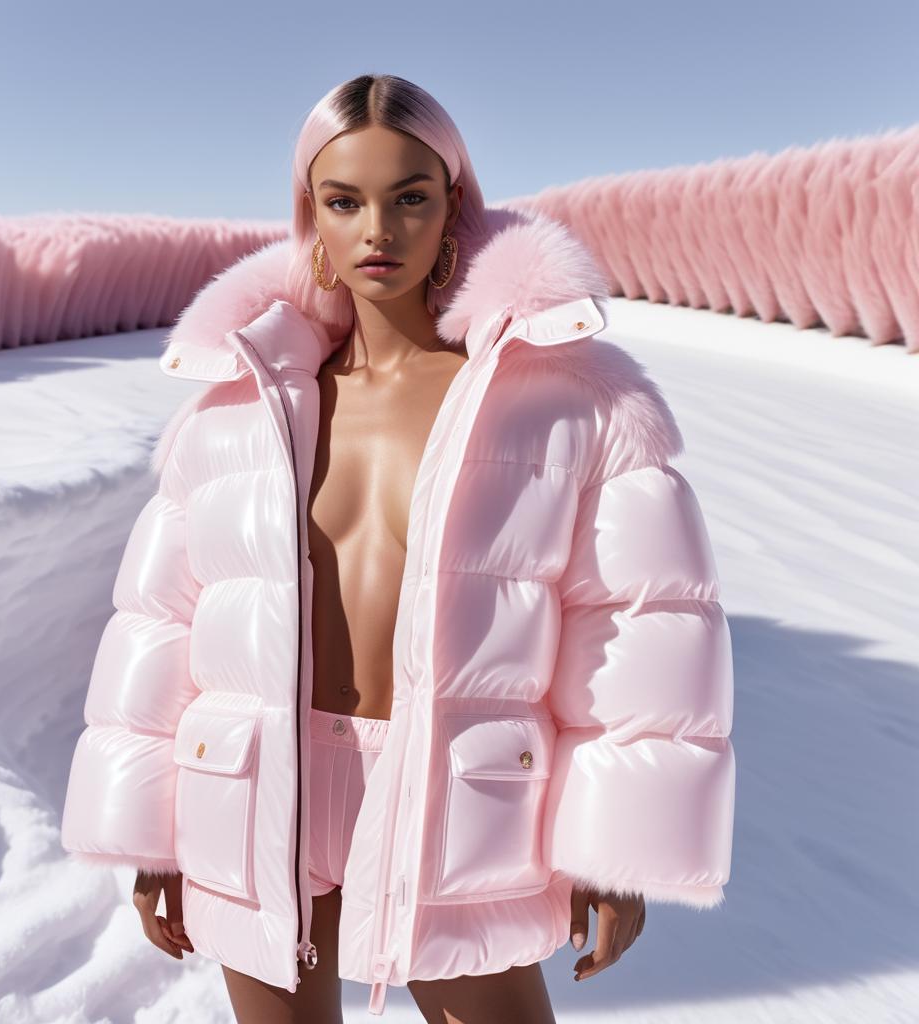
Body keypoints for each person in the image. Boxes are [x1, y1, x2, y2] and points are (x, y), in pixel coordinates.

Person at [61, 73, 735, 1023]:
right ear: (313, 220)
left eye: (409, 196)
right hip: (255, 786)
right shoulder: (236, 407)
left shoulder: (569, 400)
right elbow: (163, 629)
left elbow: (635, 627)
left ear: (454, 204)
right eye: (344, 201)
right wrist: (147, 835)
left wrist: (616, 849)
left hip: (457, 792)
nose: (377, 229)